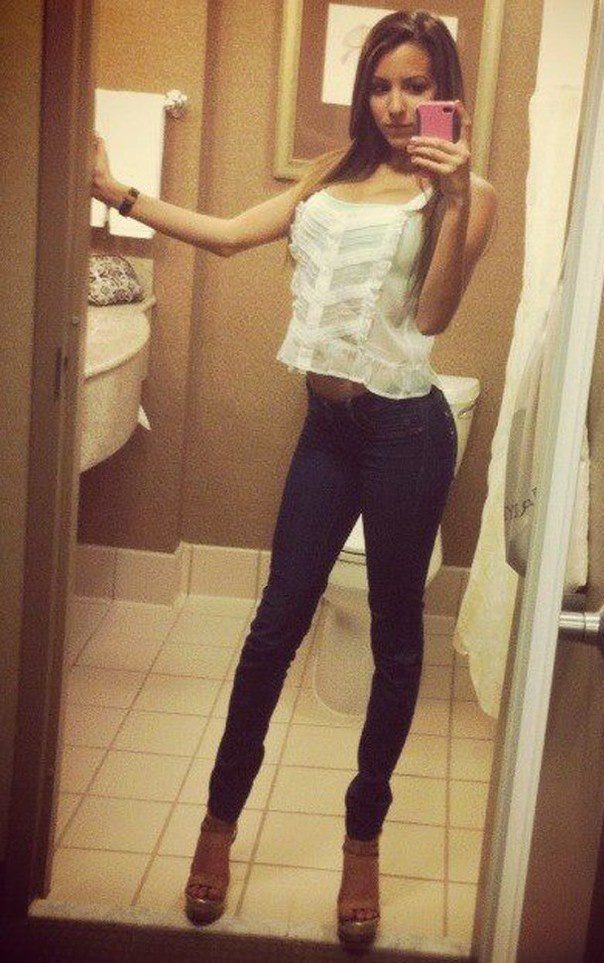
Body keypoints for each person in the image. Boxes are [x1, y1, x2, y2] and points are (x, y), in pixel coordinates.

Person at [91, 8, 497, 947]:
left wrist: (450, 198)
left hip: (407, 432)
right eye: (381, 85)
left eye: (416, 86)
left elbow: (434, 317)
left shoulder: (471, 193)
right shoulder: (330, 173)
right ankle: (218, 824)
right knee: (274, 626)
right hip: (327, 431)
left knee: (397, 641)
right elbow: (231, 234)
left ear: (445, 93)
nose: (396, 105)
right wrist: (116, 193)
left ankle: (362, 840)